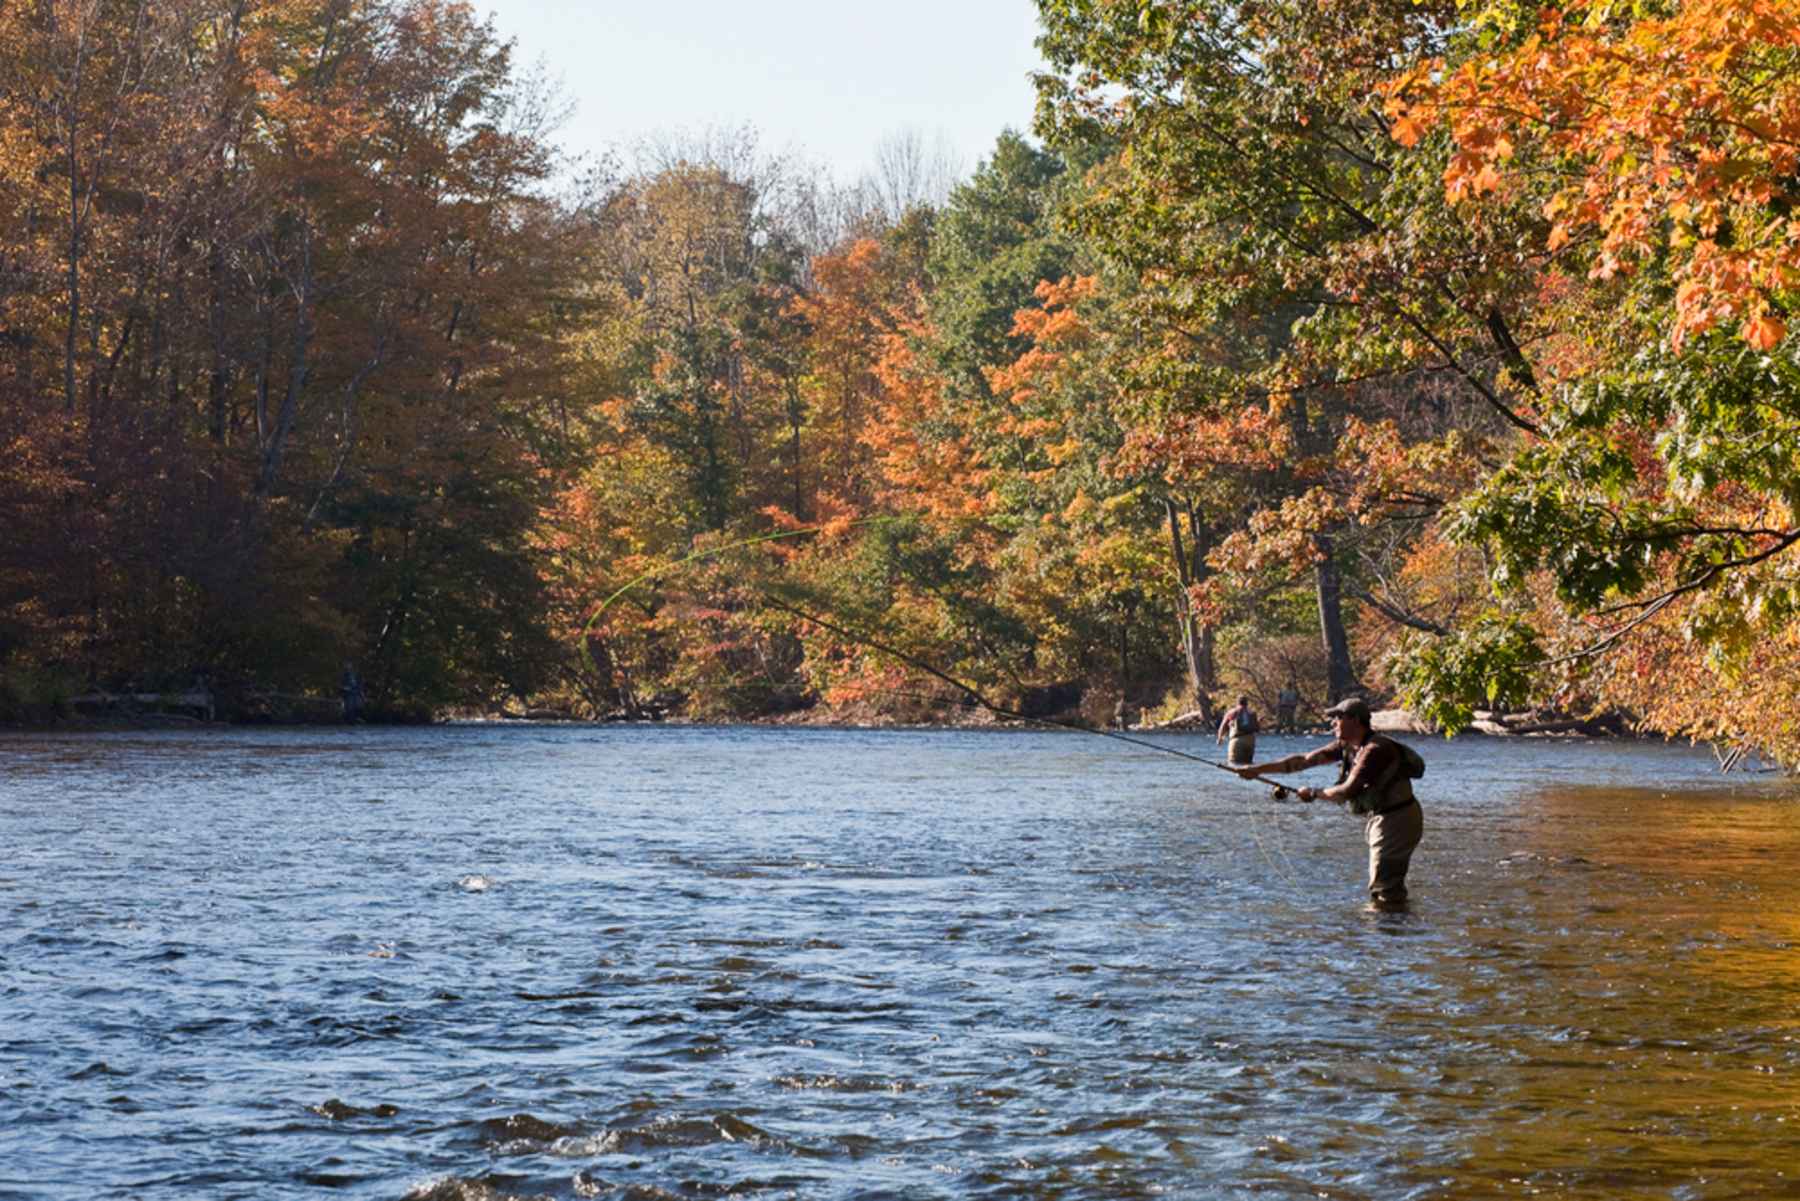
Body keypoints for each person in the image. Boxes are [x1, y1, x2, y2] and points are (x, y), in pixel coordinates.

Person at [1234, 696, 1423, 906]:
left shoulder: (1375, 750)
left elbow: (1346, 791)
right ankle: (1393, 928)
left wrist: (1314, 793)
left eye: (1338, 718)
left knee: (1385, 888)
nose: (1333, 723)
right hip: (1383, 818)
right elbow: (1303, 761)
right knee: (1384, 886)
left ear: (1355, 721)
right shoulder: (1348, 746)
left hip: (1398, 819)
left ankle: (1387, 931)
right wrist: (1256, 770)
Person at [1216, 694, 1258, 765]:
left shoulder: (1232, 712)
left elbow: (1223, 726)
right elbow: (1257, 727)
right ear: (1247, 703)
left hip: (1237, 741)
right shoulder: (1252, 713)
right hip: (1251, 740)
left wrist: (1219, 738)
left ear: (1237, 702)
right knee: (1249, 765)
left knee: (1234, 764)